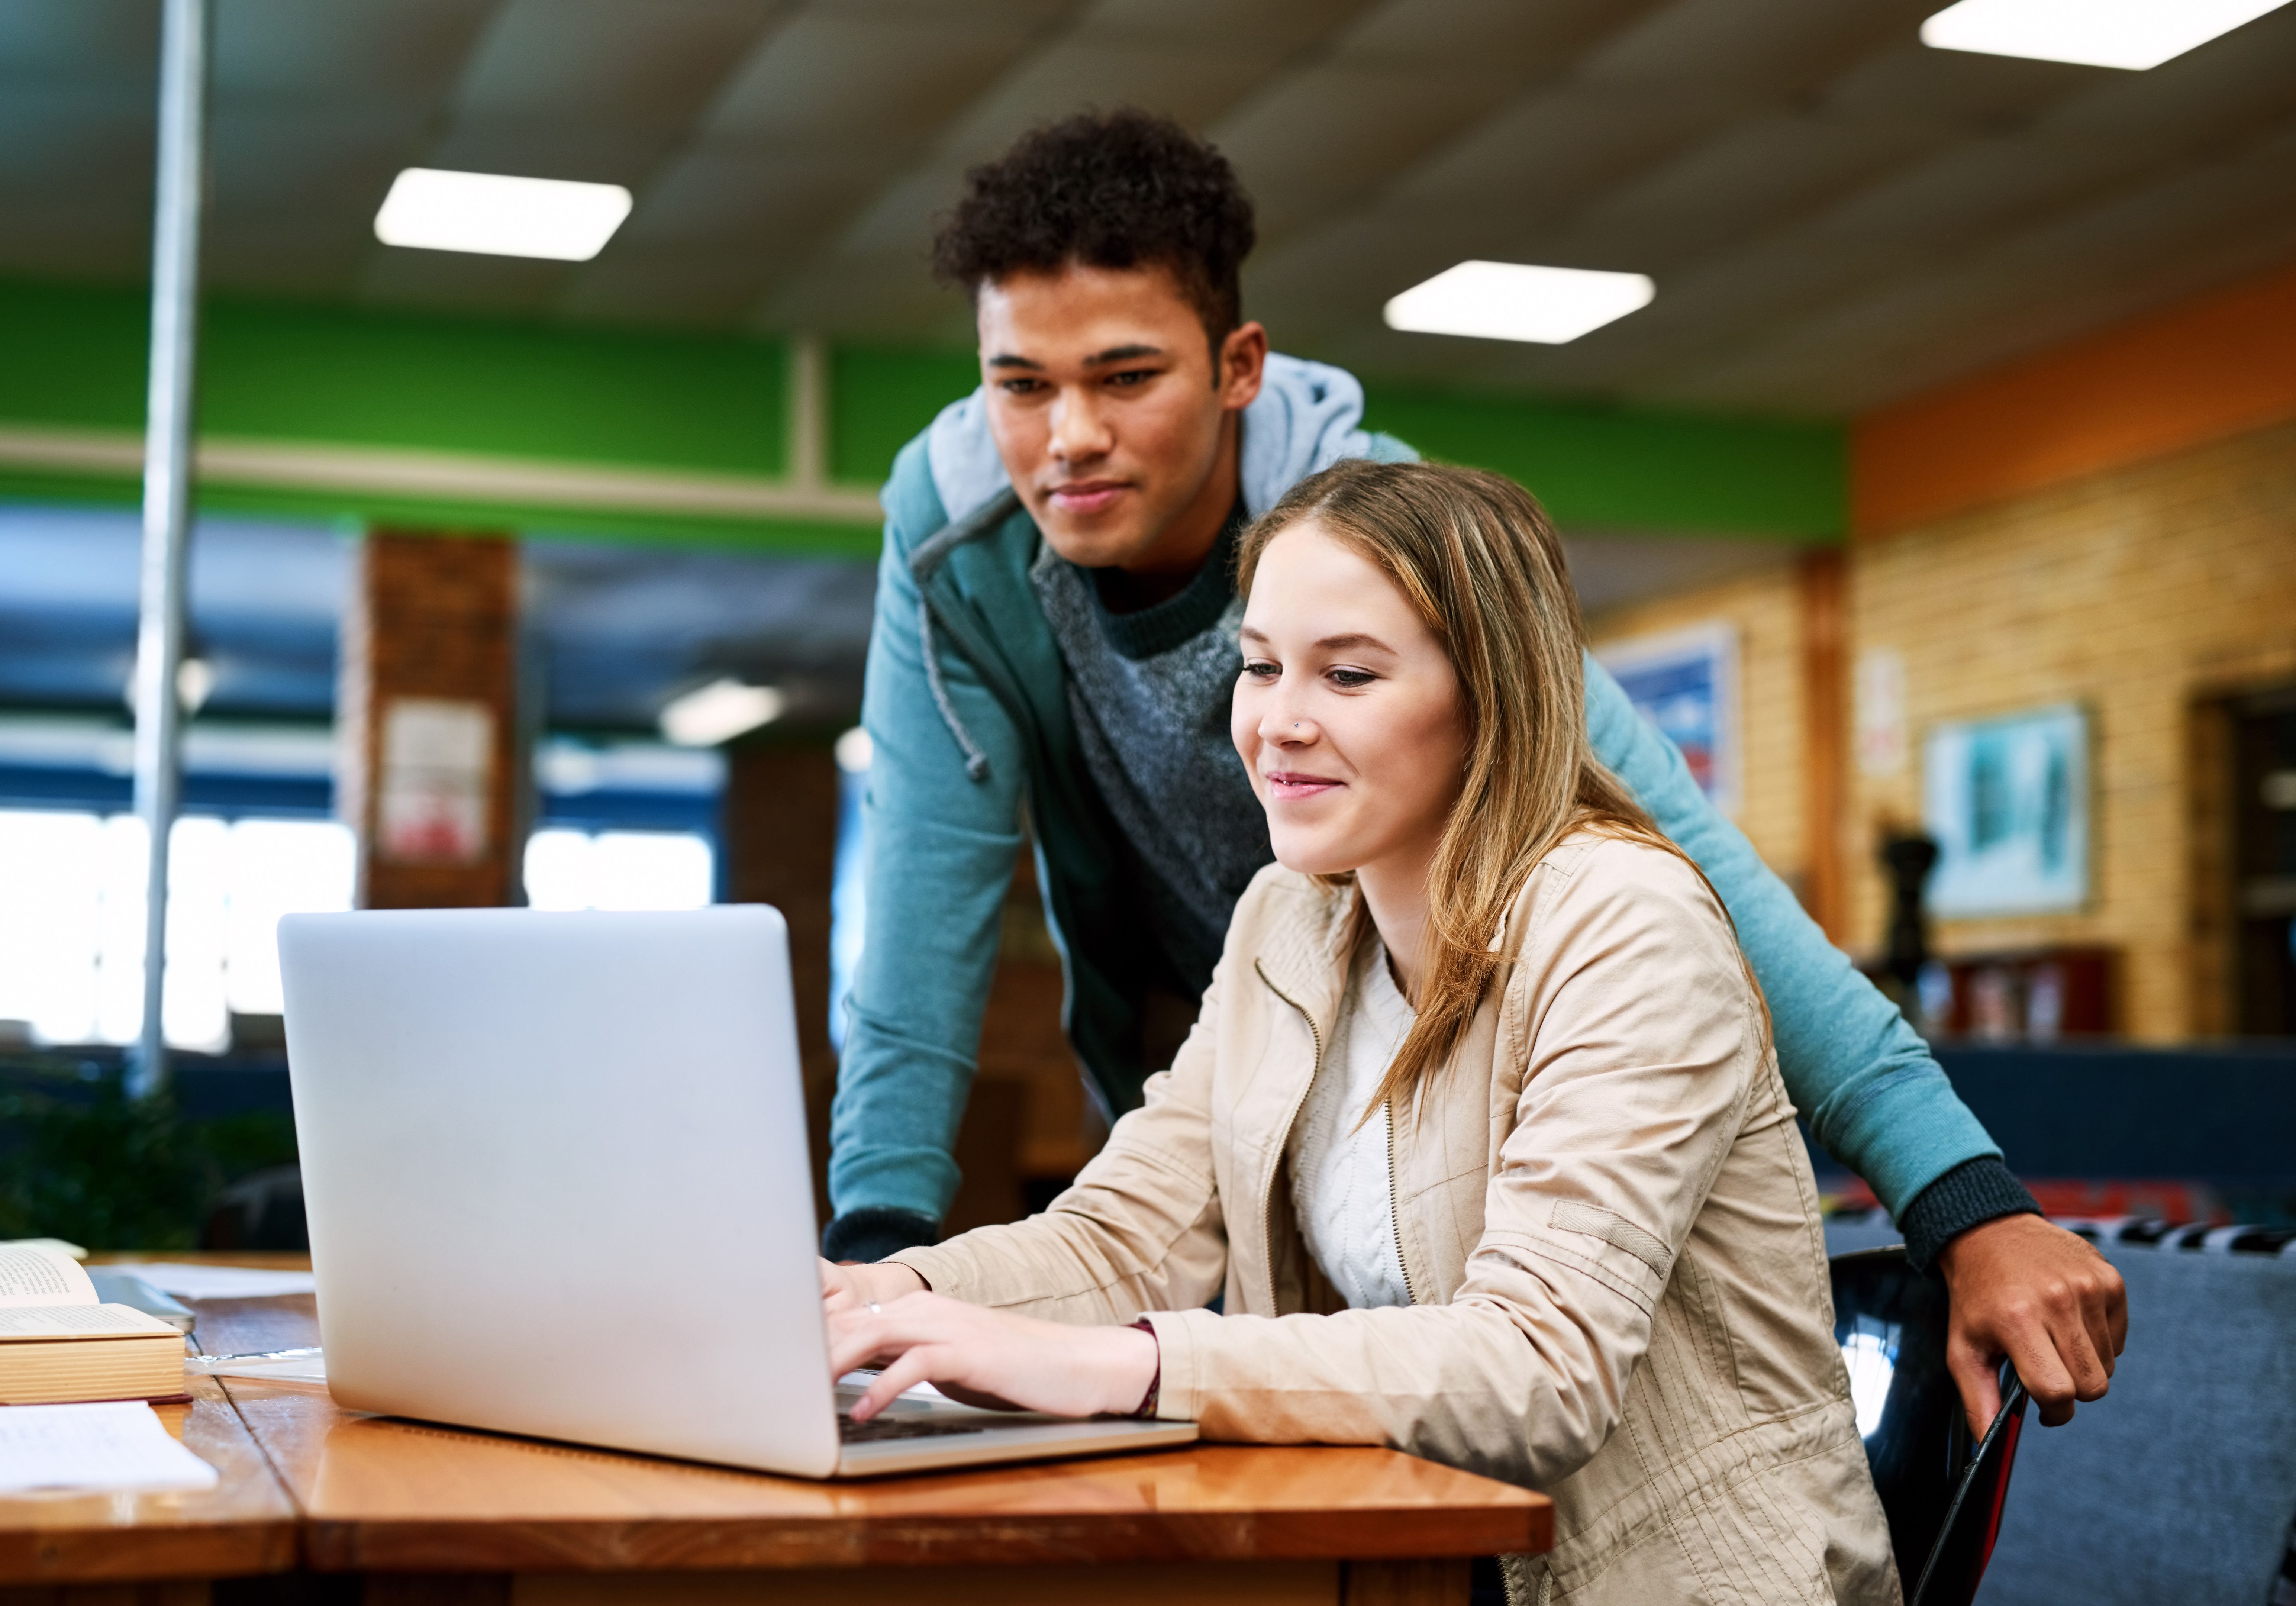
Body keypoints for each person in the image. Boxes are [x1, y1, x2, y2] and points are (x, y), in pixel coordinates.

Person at [829, 108, 2123, 1437]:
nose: (1067, 438)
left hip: (1492, 1042)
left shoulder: (1410, 561)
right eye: (1020, 387)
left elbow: (1697, 871)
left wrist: (1963, 1199)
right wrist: (868, 1272)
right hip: (1263, 1028)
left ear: (1236, 368)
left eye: (1123, 377)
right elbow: (925, 902)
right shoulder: (1262, 912)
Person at [825, 460, 1901, 1605]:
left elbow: (1541, 1367)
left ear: (1488, 696)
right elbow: (1127, 1237)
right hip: (1405, 1558)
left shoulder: (1624, 924)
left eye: (1346, 674)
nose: (1277, 724)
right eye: (1259, 667)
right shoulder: (1288, 920)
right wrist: (876, 1300)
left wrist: (1127, 1364)